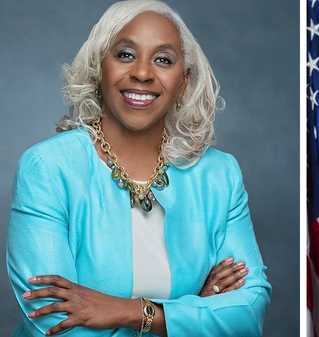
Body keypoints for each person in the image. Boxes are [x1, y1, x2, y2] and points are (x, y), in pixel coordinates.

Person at [6, 1, 270, 336]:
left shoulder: (219, 175)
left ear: (184, 81)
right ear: (98, 67)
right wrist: (193, 313)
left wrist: (133, 312)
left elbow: (248, 311)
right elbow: (54, 321)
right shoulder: (48, 168)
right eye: (125, 55)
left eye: (163, 60)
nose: (143, 73)